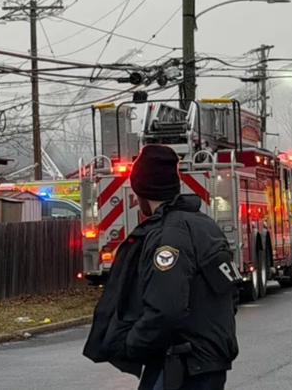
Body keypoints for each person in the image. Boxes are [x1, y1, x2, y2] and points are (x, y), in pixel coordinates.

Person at [83, 145, 240, 390]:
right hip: (209, 362)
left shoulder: (168, 238)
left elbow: (167, 309)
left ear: (142, 191)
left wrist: (131, 343)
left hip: (181, 365)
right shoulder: (206, 226)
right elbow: (230, 293)